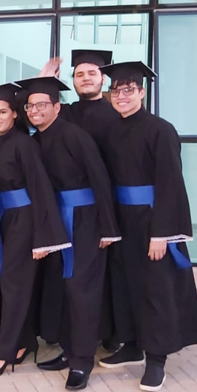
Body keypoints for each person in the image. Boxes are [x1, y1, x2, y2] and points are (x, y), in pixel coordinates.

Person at [97, 61, 197, 392]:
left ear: (142, 93)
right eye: (115, 91)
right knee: (124, 285)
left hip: (151, 221)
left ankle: (157, 359)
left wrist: (162, 233)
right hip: (122, 220)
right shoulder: (111, 131)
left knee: (155, 290)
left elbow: (170, 183)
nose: (121, 96)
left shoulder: (160, 130)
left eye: (128, 90)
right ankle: (132, 345)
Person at [16, 76, 120, 390]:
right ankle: (68, 349)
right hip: (54, 221)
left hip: (84, 220)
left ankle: (82, 361)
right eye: (30, 106)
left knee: (81, 290)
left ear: (57, 107)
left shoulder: (75, 136)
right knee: (61, 289)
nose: (35, 111)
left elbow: (100, 179)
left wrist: (108, 227)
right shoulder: (35, 141)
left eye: (41, 105)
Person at [0, 83, 71, 375]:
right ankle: (23, 342)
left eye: (3, 112)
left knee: (14, 286)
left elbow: (41, 189)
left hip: (25, 219)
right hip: (6, 217)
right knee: (12, 283)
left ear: (15, 114)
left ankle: (3, 354)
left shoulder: (24, 144)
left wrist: (43, 238)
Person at [40, 50, 122, 352]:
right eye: (79, 74)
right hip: (76, 209)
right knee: (74, 278)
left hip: (111, 205)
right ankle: (77, 340)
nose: (85, 78)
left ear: (103, 78)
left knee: (111, 276)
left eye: (91, 73)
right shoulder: (68, 114)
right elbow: (38, 111)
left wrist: (109, 221)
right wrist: (44, 80)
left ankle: (110, 334)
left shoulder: (117, 115)